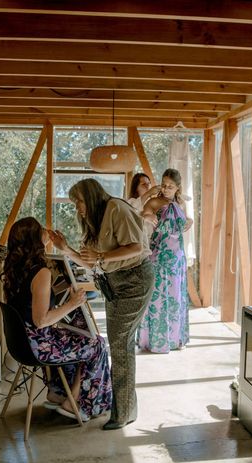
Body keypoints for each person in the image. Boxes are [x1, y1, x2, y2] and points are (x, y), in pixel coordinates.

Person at [48, 179, 154, 430]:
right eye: (75, 203)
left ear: (92, 197)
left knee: (120, 345)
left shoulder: (116, 209)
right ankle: (124, 408)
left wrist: (102, 256)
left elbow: (137, 247)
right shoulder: (95, 221)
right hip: (114, 283)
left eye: (79, 202)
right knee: (121, 344)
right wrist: (66, 249)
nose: (77, 208)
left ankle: (123, 413)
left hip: (134, 280)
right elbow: (92, 263)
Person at [1, 217, 112, 422]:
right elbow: (41, 321)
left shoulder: (12, 268)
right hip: (38, 347)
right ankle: (74, 402)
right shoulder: (40, 272)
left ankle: (57, 392)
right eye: (42, 229)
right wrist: (72, 304)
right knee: (97, 344)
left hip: (21, 343)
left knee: (66, 334)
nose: (46, 231)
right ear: (35, 238)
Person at [137, 168, 192, 353]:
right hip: (159, 255)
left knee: (175, 297)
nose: (166, 189)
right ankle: (155, 341)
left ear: (177, 188)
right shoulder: (155, 201)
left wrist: (189, 221)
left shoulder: (179, 204)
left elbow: (181, 223)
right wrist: (148, 215)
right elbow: (143, 213)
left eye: (171, 186)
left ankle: (174, 339)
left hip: (177, 258)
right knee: (157, 298)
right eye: (164, 185)